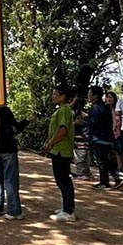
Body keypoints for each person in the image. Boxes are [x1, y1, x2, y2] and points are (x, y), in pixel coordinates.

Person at [44, 85, 76, 222]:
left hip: (61, 151)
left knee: (63, 180)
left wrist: (50, 143)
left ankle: (68, 210)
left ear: (63, 96)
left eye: (55, 94)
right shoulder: (63, 110)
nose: (53, 96)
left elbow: (63, 130)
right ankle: (66, 207)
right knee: (61, 180)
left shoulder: (64, 110)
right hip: (58, 150)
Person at [86, 86, 123, 190]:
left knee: (102, 161)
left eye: (90, 93)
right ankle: (117, 177)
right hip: (107, 138)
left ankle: (105, 182)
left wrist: (85, 119)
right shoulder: (105, 107)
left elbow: (93, 122)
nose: (88, 95)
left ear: (95, 95)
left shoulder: (96, 107)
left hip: (99, 138)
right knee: (106, 160)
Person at [104, 90, 123, 178]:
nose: (109, 99)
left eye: (110, 97)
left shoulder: (118, 108)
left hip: (118, 131)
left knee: (118, 150)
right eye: (107, 97)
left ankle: (120, 168)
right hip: (107, 132)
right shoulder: (104, 108)